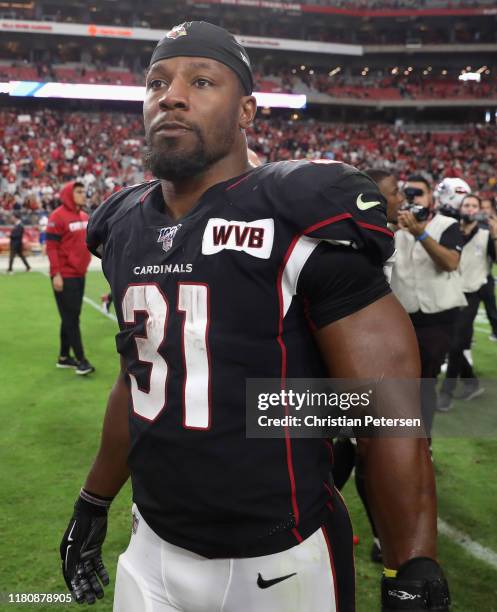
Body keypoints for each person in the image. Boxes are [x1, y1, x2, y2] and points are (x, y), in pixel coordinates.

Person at [59, 22, 449, 612]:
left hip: (276, 563)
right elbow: (138, 381)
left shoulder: (297, 215)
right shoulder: (124, 225)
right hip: (149, 548)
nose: (171, 95)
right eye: (156, 82)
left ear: (247, 111)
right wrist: (93, 499)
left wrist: (414, 564)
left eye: (202, 80)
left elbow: (388, 410)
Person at [391, 174, 467, 438]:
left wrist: (420, 233)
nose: (413, 199)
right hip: (401, 317)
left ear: (432, 197)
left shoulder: (447, 225)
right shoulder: (393, 227)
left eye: (419, 193)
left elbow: (449, 263)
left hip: (437, 317)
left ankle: (424, 444)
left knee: (424, 380)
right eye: (408, 193)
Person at [438, 194, 497, 410]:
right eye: (467, 205)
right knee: (451, 342)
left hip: (471, 294)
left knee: (454, 344)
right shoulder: (452, 230)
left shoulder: (486, 233)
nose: (470, 209)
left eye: (475, 205)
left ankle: (447, 392)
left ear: (480, 209)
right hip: (447, 291)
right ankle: (471, 382)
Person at [46, 181, 95, 375]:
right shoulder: (56, 217)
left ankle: (64, 357)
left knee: (70, 317)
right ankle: (82, 360)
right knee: (72, 319)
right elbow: (51, 248)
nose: (83, 194)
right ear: (69, 194)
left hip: (79, 275)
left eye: (84, 191)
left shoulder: (84, 216)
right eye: (79, 192)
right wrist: (56, 274)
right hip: (64, 276)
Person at [478, 196, 497, 341]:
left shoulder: (492, 226)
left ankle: (495, 331)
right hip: (467, 276)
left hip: (485, 273)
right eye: (481, 208)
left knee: (491, 309)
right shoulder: (471, 223)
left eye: (486, 208)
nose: (484, 211)